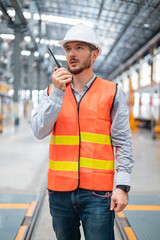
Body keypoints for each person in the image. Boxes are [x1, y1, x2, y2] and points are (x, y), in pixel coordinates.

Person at [31, 24, 134, 240]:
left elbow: (123, 141)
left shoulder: (112, 92)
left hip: (98, 194)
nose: (72, 54)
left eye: (79, 48)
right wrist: (58, 95)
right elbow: (39, 131)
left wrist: (122, 185)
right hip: (59, 193)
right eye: (68, 49)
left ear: (94, 54)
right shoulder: (51, 92)